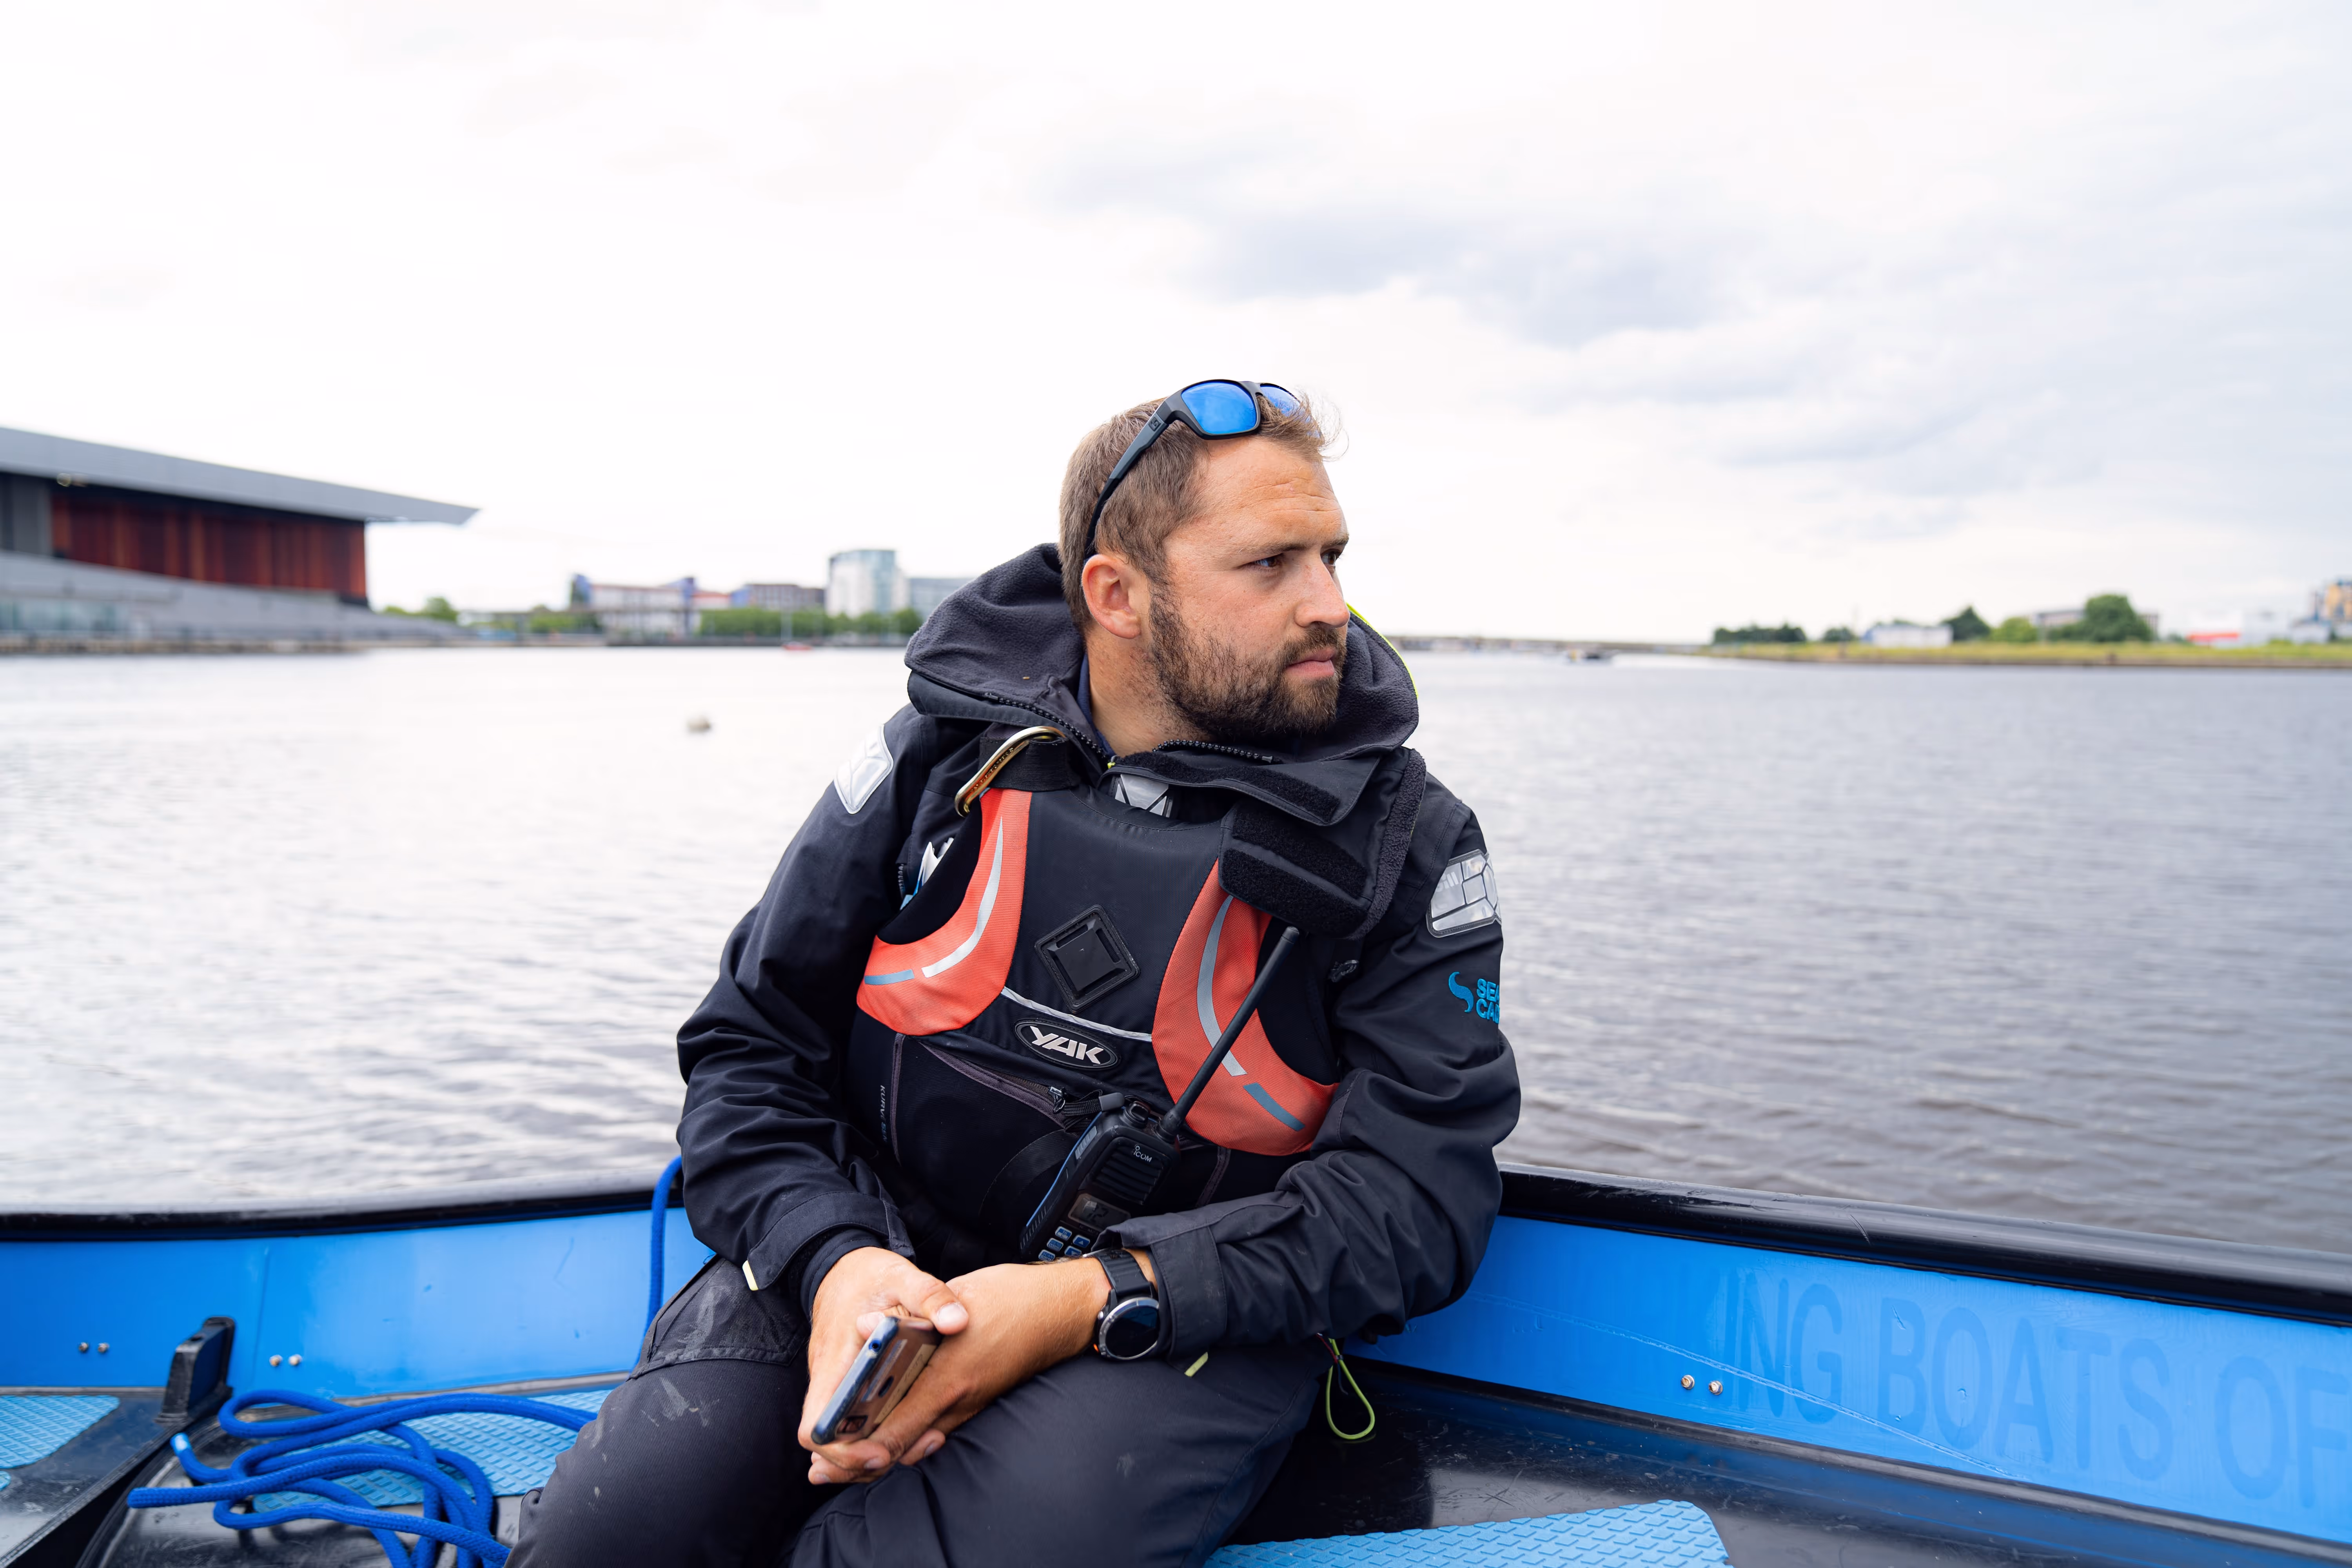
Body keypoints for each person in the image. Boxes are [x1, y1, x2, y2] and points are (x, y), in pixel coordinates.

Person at [512, 381, 1519, 1568]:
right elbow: (749, 1050)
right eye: (1271, 565)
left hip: (1181, 1321)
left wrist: (1073, 1301)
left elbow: (1417, 1208)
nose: (1330, 608)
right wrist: (837, 1263)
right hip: (872, 1258)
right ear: (1116, 594)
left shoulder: (1407, 845)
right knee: (616, 1537)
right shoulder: (937, 765)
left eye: (1333, 556)